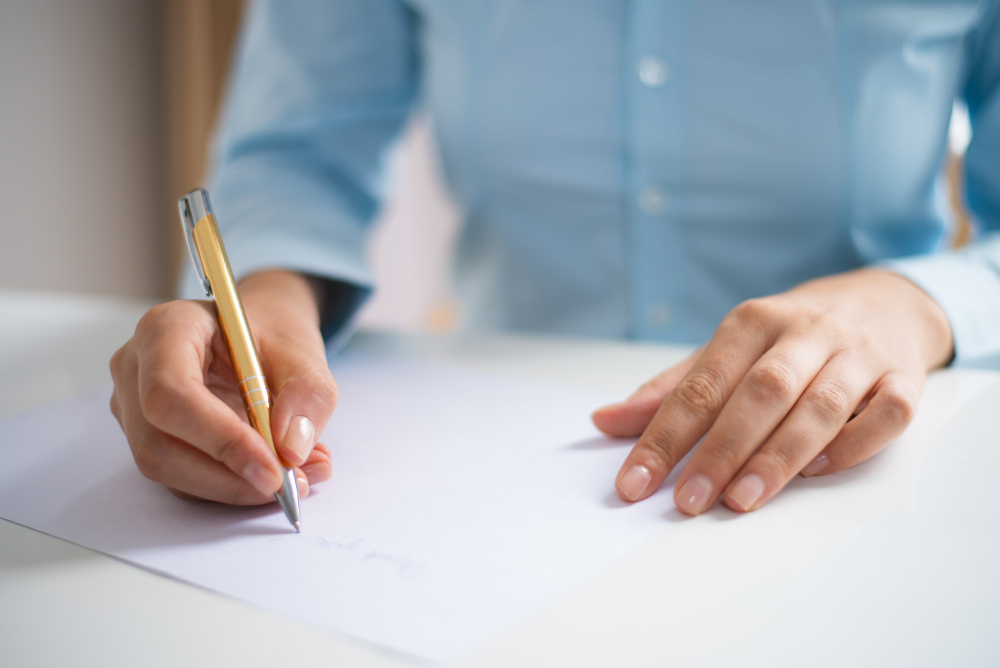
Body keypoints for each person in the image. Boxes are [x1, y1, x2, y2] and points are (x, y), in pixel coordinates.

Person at [111, 0, 1000, 515]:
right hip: (506, 452)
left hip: (877, 478)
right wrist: (267, 293)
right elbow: (298, 148)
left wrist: (913, 305)